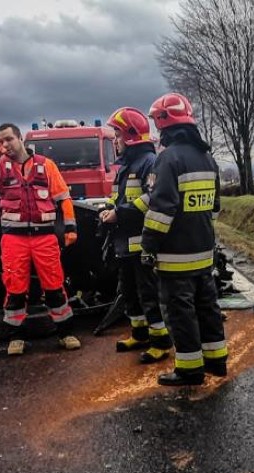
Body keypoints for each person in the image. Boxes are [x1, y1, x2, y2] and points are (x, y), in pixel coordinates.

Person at [141, 93, 227, 386]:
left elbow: (161, 210)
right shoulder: (207, 156)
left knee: (181, 313)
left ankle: (189, 369)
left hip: (175, 257)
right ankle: (217, 361)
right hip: (203, 251)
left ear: (164, 124)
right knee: (208, 307)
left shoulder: (168, 158)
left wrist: (148, 246)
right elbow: (214, 207)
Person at [0, 123, 81, 354]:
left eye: (8, 139)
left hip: (44, 237)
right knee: (15, 287)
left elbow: (64, 199)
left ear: (20, 139)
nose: (5, 145)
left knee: (54, 285)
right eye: (0, 141)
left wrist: (70, 228)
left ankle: (66, 333)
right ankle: (15, 337)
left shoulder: (46, 166)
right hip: (13, 239)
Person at [99, 107, 173, 363]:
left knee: (148, 293)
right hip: (124, 243)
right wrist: (108, 208)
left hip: (142, 242)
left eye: (117, 135)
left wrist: (121, 213)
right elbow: (117, 196)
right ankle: (139, 334)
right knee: (129, 291)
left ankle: (161, 342)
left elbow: (152, 197)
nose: (115, 140)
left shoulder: (148, 162)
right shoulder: (124, 166)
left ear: (130, 136)